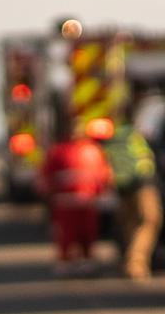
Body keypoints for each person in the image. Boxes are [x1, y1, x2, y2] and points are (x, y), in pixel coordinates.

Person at [42, 117, 114, 274]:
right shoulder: (61, 151)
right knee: (68, 234)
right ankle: (66, 261)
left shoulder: (91, 150)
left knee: (87, 232)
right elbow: (47, 175)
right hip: (67, 202)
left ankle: (86, 260)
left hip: (86, 201)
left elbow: (102, 174)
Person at [111, 113, 162, 281]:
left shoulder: (114, 136)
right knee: (150, 220)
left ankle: (130, 261)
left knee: (130, 223)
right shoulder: (138, 133)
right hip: (143, 183)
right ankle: (136, 263)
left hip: (122, 185)